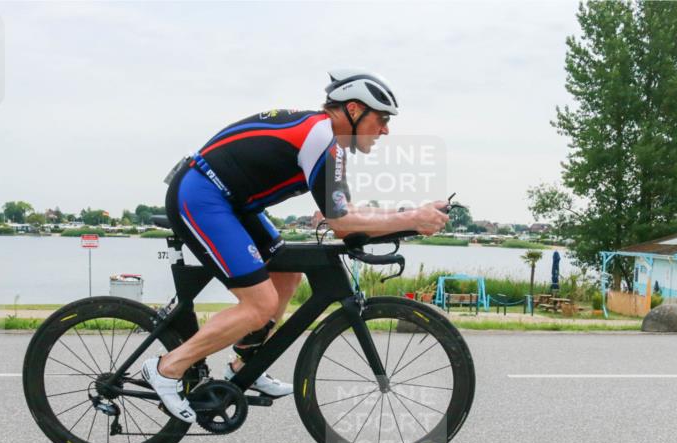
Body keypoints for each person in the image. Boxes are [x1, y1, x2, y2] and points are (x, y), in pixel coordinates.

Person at [142, 69, 449, 423]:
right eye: (381, 118)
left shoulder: (325, 139)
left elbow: (338, 212)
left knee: (286, 275)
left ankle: (246, 362)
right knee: (260, 305)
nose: (385, 130)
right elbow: (343, 224)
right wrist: (412, 219)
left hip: (233, 204)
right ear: (353, 109)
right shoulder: (322, 138)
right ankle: (166, 369)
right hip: (202, 196)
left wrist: (411, 213)